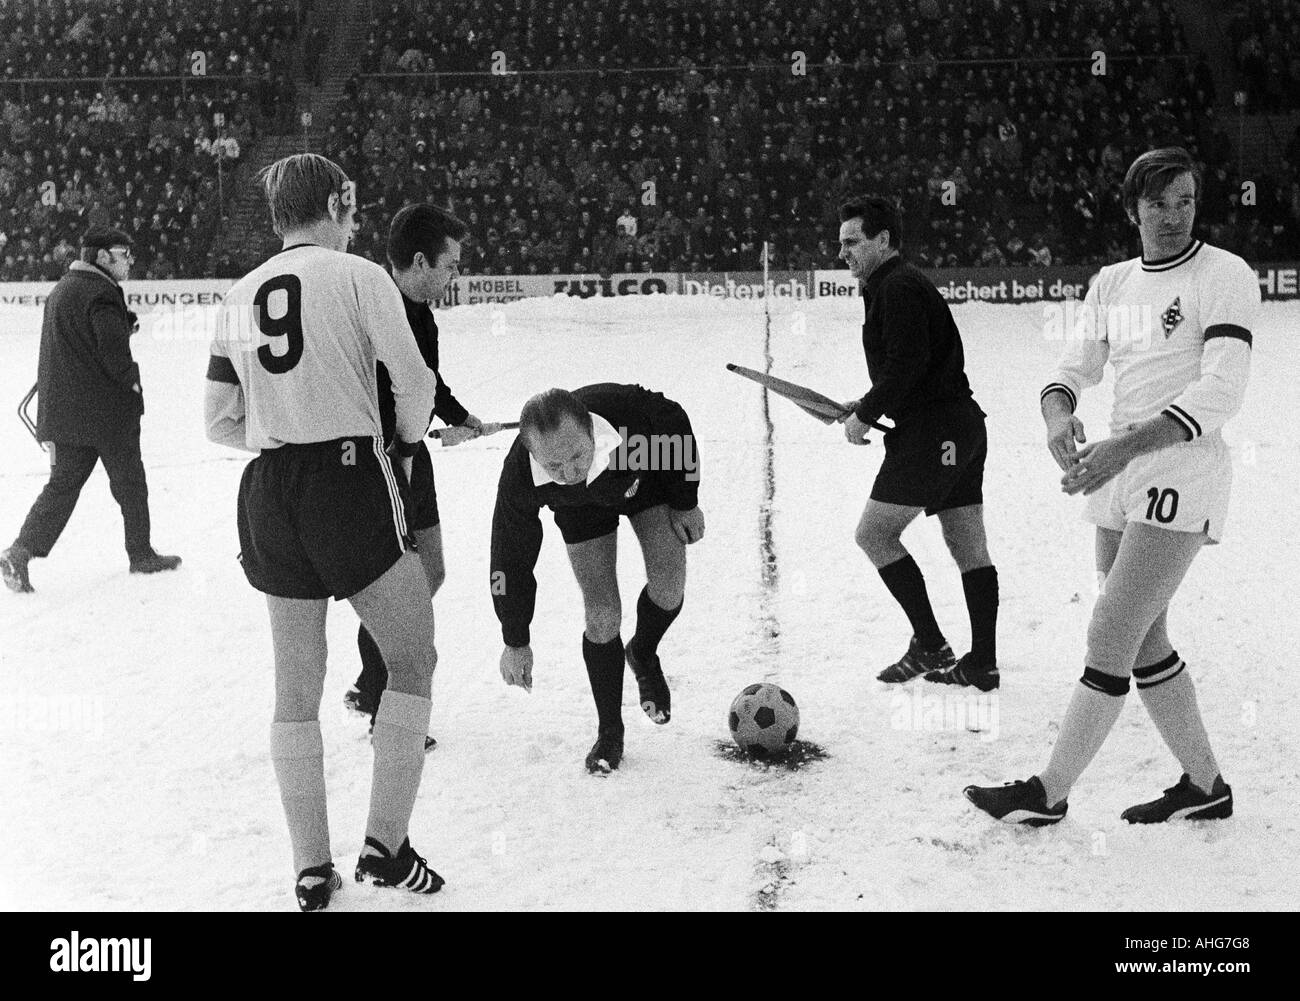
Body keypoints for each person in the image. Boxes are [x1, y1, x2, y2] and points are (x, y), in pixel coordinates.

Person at [965, 147, 1258, 825]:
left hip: (1180, 467)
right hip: (1117, 472)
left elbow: (1222, 389)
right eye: (1157, 203)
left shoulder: (1225, 274)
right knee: (1144, 636)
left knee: (1109, 633)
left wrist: (1124, 446)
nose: (1173, 216)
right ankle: (1205, 784)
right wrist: (1057, 412)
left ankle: (1049, 792)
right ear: (1131, 210)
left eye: (1185, 200)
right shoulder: (1114, 282)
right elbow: (1073, 366)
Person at [204, 154, 444, 911]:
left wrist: (280, 433)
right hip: (349, 478)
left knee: (295, 687)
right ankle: (386, 845)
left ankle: (311, 867)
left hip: (269, 492)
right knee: (412, 655)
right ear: (338, 203)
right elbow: (415, 384)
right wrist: (401, 439)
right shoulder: (360, 275)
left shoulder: (238, 295)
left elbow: (217, 419)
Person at [342, 203, 500, 750]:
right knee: (397, 585)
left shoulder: (419, 311)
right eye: (450, 265)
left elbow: (425, 381)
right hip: (386, 463)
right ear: (417, 260)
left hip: (413, 456)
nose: (455, 275)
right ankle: (385, 705)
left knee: (429, 572)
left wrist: (458, 417)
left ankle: (370, 681)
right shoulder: (375, 308)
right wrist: (403, 443)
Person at [490, 385, 704, 773]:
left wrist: (685, 501)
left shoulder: (631, 428)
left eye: (577, 455)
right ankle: (610, 732)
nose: (570, 472)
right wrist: (515, 637)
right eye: (555, 466)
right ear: (534, 454)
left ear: (590, 430)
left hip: (642, 481)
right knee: (602, 616)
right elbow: (509, 557)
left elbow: (676, 428)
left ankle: (642, 652)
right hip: (580, 509)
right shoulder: (522, 473)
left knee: (670, 588)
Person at [836, 196, 1000, 692]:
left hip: (936, 432)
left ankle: (930, 643)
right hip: (963, 429)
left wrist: (866, 413)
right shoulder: (891, 284)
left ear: (883, 240)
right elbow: (907, 369)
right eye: (840, 242)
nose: (843, 252)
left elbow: (908, 365)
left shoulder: (897, 286)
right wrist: (867, 400)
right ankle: (982, 663)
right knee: (969, 545)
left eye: (852, 241)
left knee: (875, 535)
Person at [1, 227, 180, 594]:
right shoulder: (101, 293)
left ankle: (20, 552)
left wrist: (121, 322)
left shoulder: (63, 289)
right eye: (122, 253)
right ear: (101, 257)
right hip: (106, 412)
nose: (129, 259)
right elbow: (111, 351)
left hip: (65, 412)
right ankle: (141, 553)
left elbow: (77, 341)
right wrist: (133, 380)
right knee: (130, 483)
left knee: (62, 487)